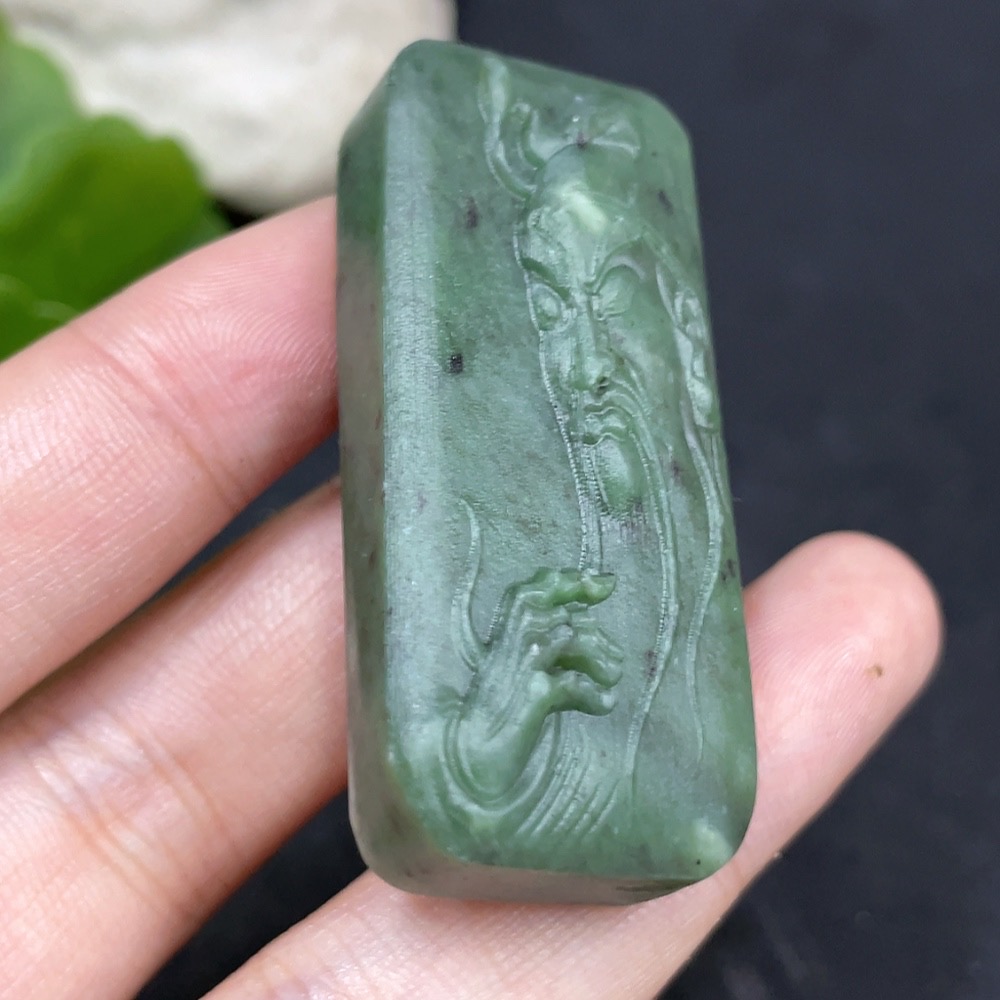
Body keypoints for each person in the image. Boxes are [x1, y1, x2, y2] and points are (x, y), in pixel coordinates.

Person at [0, 200, 942, 999]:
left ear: (683, 338)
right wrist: (483, 759)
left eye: (613, 302)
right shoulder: (488, 537)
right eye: (550, 310)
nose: (580, 362)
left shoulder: (666, 585)